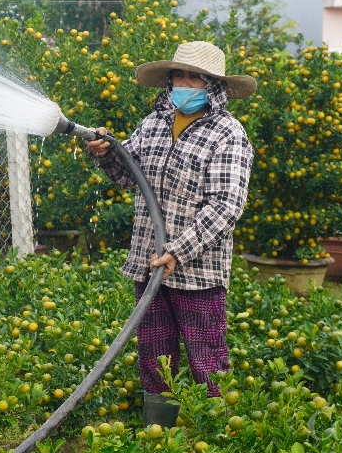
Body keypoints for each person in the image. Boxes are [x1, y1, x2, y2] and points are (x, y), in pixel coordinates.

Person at [85, 40, 256, 426]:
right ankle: (158, 430)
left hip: (197, 271)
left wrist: (178, 251)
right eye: (179, 75)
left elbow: (226, 206)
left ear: (213, 85)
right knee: (155, 353)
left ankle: (214, 432)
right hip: (150, 263)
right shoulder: (154, 123)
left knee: (205, 356)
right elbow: (128, 177)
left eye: (194, 77)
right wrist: (105, 153)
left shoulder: (228, 134)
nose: (184, 83)